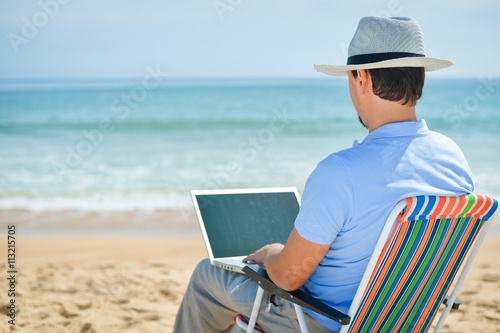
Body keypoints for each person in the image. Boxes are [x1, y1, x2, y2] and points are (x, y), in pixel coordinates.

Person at [173, 16, 474, 333]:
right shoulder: (452, 158)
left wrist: (274, 253)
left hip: (321, 320)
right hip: (403, 319)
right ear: (420, 78)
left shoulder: (341, 172)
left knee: (208, 275)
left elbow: (289, 277)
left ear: (362, 80)